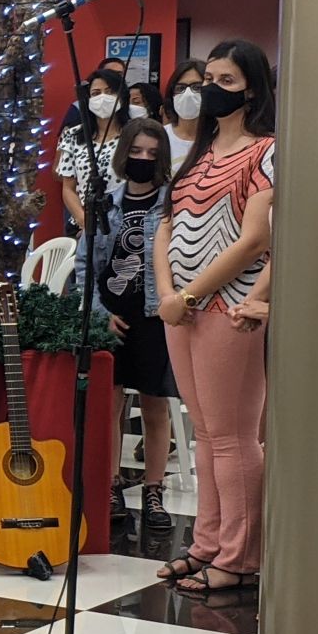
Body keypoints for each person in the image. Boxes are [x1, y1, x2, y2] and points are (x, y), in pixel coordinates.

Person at [152, 39, 276, 594]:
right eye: (209, 80)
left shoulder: (266, 151)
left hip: (231, 306)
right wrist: (168, 294)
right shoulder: (198, 154)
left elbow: (255, 241)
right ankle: (207, 545)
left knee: (231, 435)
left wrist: (189, 295)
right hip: (182, 310)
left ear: (251, 89)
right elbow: (165, 226)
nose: (210, 91)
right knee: (205, 433)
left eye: (226, 81)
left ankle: (240, 555)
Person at [75, 118, 178, 532]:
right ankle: (112, 484)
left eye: (152, 153)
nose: (143, 159)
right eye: (136, 151)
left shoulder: (171, 202)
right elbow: (86, 264)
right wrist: (99, 313)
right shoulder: (106, 203)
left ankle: (154, 489)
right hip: (112, 314)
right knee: (111, 404)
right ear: (123, 154)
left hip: (154, 315)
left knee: (155, 405)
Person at [56, 67, 131, 234]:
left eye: (109, 92)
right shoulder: (73, 135)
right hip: (84, 227)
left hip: (126, 225)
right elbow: (68, 188)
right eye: (96, 93)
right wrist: (85, 222)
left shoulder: (135, 134)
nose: (103, 97)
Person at [163, 59, 207, 170]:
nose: (188, 94)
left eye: (197, 87)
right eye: (180, 88)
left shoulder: (220, 140)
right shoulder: (160, 137)